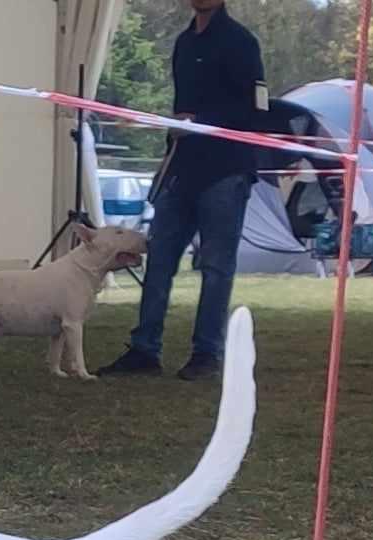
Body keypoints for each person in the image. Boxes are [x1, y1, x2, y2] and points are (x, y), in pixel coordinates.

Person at [100, 0, 264, 382]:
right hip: (182, 169)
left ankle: (206, 353)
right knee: (157, 259)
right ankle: (144, 349)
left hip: (225, 170)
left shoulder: (241, 42)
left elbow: (254, 111)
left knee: (216, 266)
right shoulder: (184, 43)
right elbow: (181, 108)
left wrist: (200, 123)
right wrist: (174, 129)